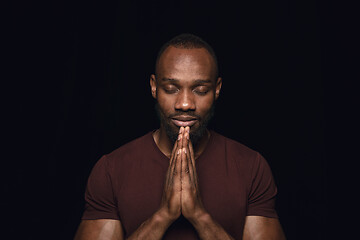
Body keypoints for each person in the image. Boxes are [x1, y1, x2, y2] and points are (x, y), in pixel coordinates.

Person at [74, 33, 286, 240]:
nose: (185, 104)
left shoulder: (251, 167)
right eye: (171, 88)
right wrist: (163, 216)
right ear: (154, 87)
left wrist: (199, 216)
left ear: (217, 89)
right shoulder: (111, 169)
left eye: (200, 90)